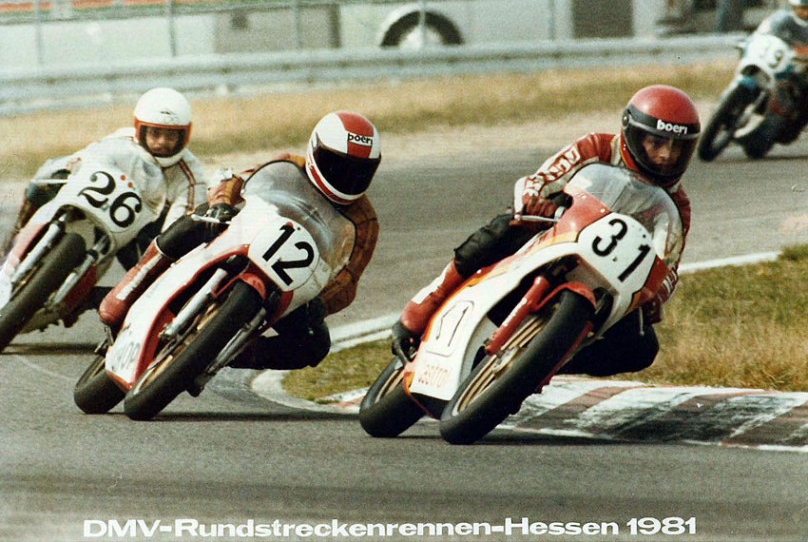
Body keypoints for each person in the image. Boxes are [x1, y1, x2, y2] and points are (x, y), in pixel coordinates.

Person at [391, 85, 700, 378]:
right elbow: (537, 180)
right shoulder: (595, 147)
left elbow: (669, 267)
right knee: (505, 227)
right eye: (656, 143)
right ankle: (428, 300)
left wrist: (655, 294)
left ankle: (541, 365)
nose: (665, 157)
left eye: (678, 148)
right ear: (632, 132)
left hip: (609, 281)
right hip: (558, 234)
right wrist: (536, 204)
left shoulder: (677, 204)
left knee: (642, 350)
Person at [99, 110, 381, 371]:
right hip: (244, 237)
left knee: (314, 346)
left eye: (360, 170)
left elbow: (348, 279)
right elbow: (236, 180)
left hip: (291, 285)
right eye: (336, 164)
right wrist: (221, 204)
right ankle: (130, 287)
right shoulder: (288, 165)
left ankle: (227, 353)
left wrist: (321, 303)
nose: (347, 176)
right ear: (314, 150)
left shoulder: (364, 221)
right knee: (200, 219)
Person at [4, 87, 208, 271]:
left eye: (171, 136)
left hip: (139, 232)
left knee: (154, 264)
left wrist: (161, 245)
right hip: (91, 203)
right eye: (155, 133)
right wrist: (69, 168)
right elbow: (84, 159)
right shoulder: (121, 141)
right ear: (141, 130)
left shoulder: (192, 176)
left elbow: (180, 226)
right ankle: (15, 238)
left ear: (184, 136)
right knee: (47, 177)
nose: (162, 142)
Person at [736, 0, 808, 156]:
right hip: (771, 68)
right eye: (803, 7)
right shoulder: (781, 19)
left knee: (790, 106)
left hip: (798, 80)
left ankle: (763, 137)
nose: (806, 13)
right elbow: (762, 34)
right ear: (793, 4)